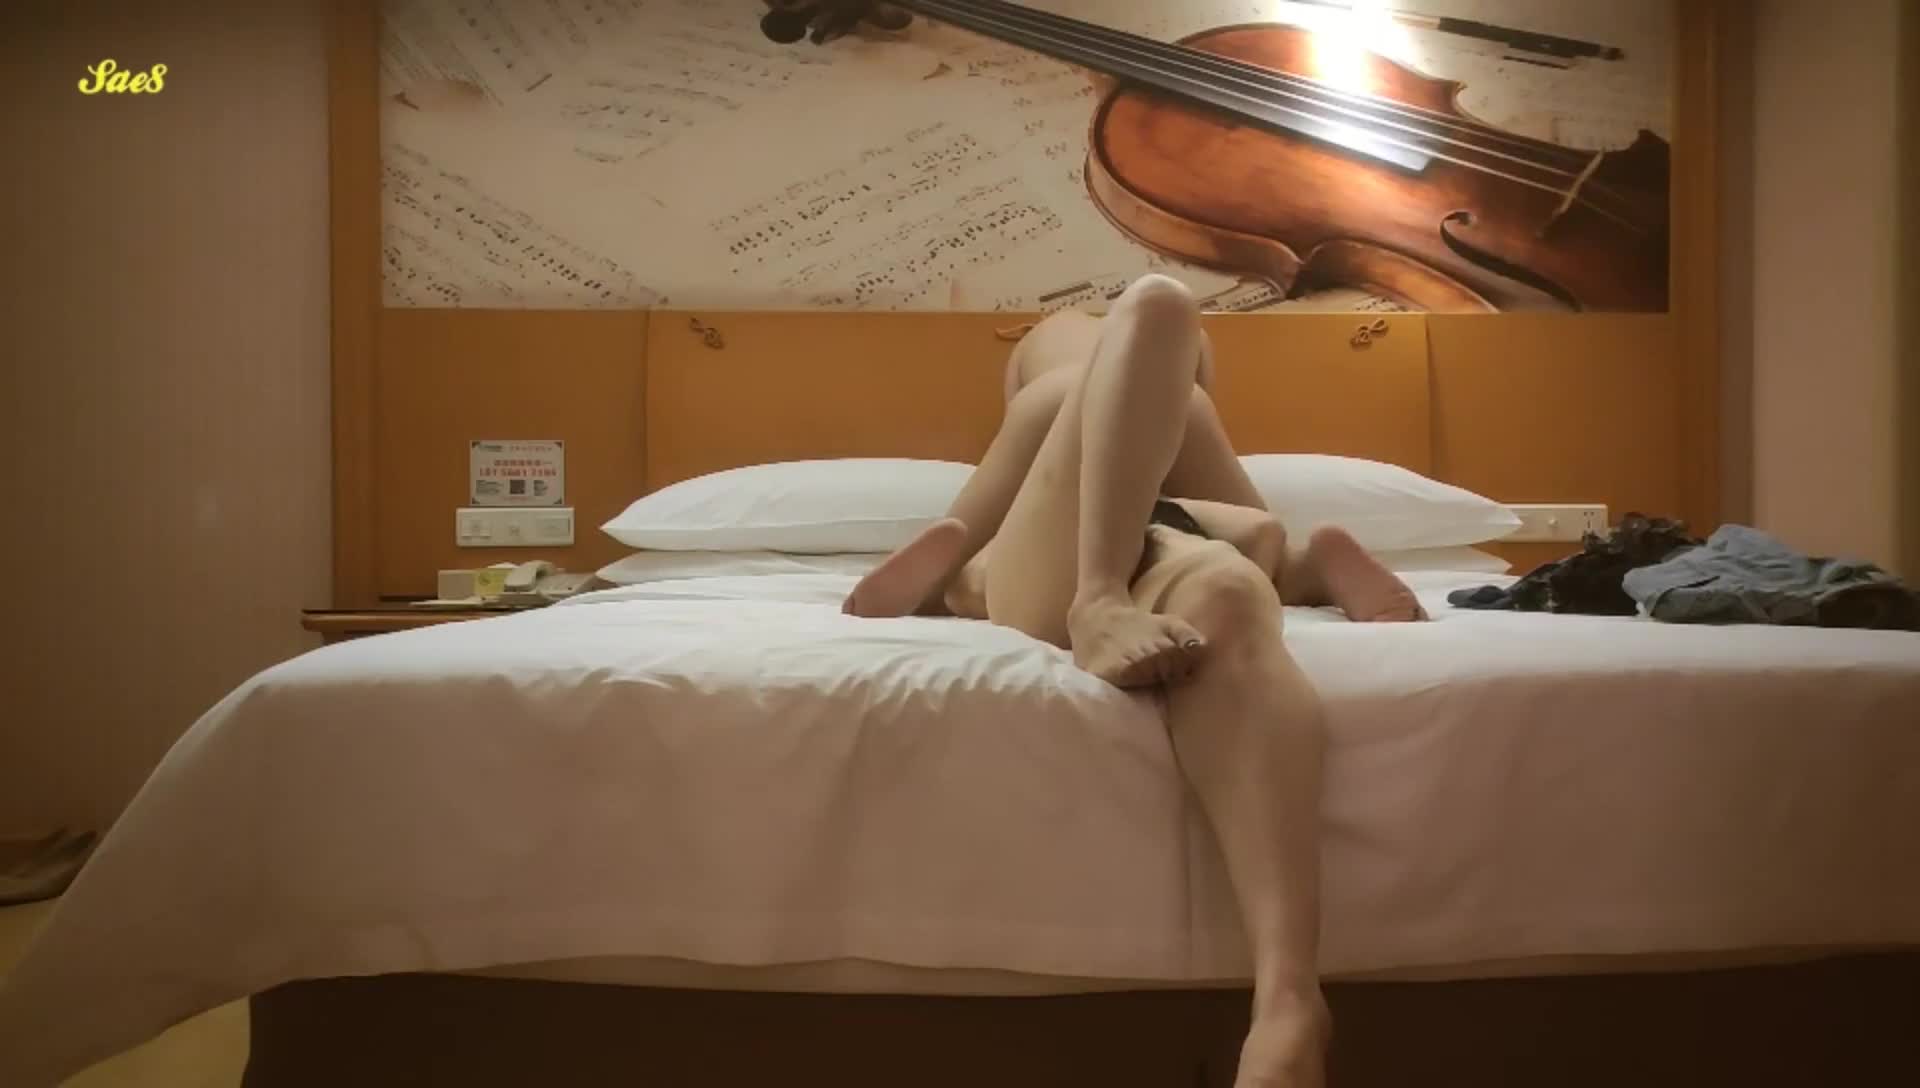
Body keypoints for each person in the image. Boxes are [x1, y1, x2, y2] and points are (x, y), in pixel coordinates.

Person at [841, 274, 1426, 1088]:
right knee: (1232, 569)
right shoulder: (1187, 402)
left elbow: (965, 526)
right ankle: (1287, 995)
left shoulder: (1045, 382)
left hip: (1072, 522)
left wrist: (952, 564)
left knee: (1164, 556)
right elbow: (1183, 421)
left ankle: (1057, 589)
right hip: (1193, 515)